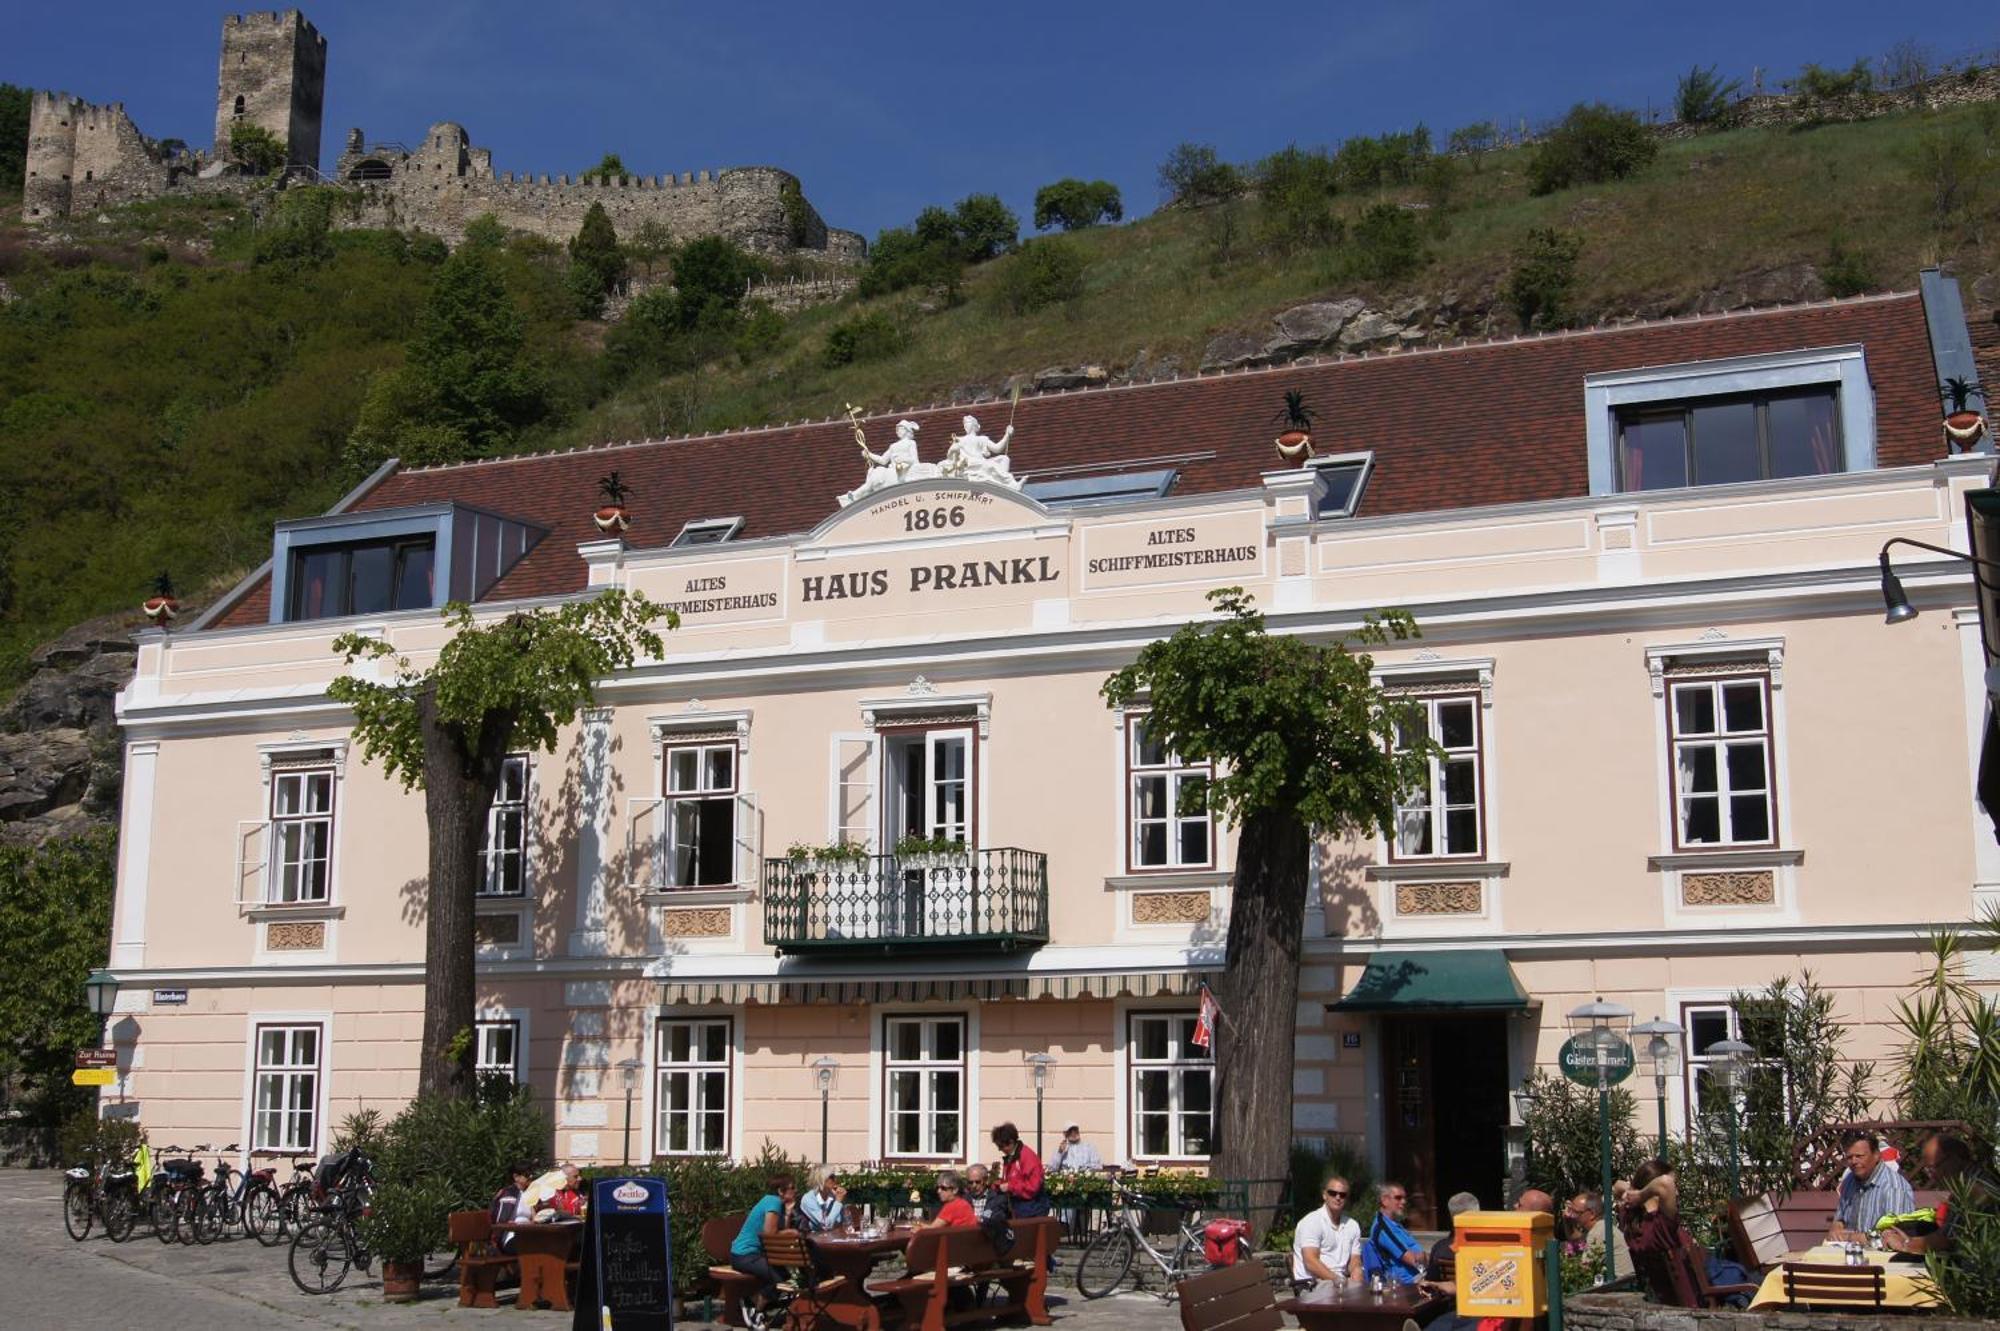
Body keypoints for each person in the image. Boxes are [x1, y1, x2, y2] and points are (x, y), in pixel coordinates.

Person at [1883, 1133, 1992, 1257]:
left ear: (1954, 1159)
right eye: (1928, 1170)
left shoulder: (1974, 1189)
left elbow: (1947, 1239)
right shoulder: (1971, 1181)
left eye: (1934, 1167)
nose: (1932, 1176)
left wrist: (1905, 1244)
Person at [730, 1172, 799, 1330]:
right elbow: (769, 1234)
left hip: (752, 1254)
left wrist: (788, 1213)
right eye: (792, 1188)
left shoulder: (775, 1203)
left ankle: (753, 1305)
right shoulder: (773, 1202)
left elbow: (778, 1232)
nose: (795, 1191)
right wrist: (790, 1233)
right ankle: (753, 1307)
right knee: (779, 1276)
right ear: (781, 1191)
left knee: (786, 1274)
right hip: (744, 1254)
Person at [1831, 1129, 1916, 1242]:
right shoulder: (1849, 1181)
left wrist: (1855, 1238)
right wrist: (1836, 1227)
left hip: (1883, 1257)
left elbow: (1898, 1236)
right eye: (1849, 1157)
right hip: (1849, 1253)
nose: (1854, 1161)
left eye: (1859, 1156)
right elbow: (1840, 1218)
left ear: (1876, 1155)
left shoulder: (1893, 1187)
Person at [1292, 1172, 1363, 1290]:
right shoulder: (1312, 1222)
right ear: (1324, 1195)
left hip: (1340, 1285)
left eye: (1342, 1194)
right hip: (1312, 1286)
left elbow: (1354, 1258)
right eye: (1333, 1193)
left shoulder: (1352, 1225)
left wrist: (1356, 1270)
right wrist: (1337, 1280)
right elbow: (1311, 1262)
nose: (1338, 1197)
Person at [1364, 1180, 1427, 1285]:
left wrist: (1422, 1256)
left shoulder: (1395, 1225)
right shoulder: (1383, 1228)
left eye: (1404, 1198)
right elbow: (1412, 1259)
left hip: (1418, 1278)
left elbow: (1419, 1255)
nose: (1404, 1202)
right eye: (1398, 1198)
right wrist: (1422, 1255)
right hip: (1405, 1286)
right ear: (1384, 1200)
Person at [1566, 1189, 1632, 1281]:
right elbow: (1576, 1238)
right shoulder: (1602, 1227)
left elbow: (1584, 1269)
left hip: (1620, 1288)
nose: (1572, 1216)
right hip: (1620, 1284)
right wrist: (1567, 1220)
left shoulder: (1598, 1232)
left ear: (1592, 1214)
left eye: (1576, 1212)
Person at [992, 1122, 1050, 1218]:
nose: (1000, 1149)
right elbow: (1013, 1179)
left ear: (1010, 1142)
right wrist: (997, 1185)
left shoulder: (1027, 1157)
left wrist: (1010, 1186)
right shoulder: (1012, 1157)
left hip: (1033, 1209)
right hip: (1020, 1207)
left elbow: (1033, 1187)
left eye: (1001, 1146)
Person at [489, 1161, 532, 1253]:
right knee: (536, 1246)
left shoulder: (529, 1194)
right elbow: (500, 1221)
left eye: (532, 1173)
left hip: (528, 1235)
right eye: (527, 1174)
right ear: (516, 1177)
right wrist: (510, 1224)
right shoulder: (508, 1194)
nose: (531, 1176)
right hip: (510, 1237)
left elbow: (534, 1218)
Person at [798, 1165, 847, 1232]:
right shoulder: (809, 1199)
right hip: (813, 1240)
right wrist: (838, 1202)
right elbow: (826, 1225)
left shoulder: (833, 1196)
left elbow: (840, 1222)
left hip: (833, 1238)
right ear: (822, 1179)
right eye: (832, 1177)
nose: (835, 1180)